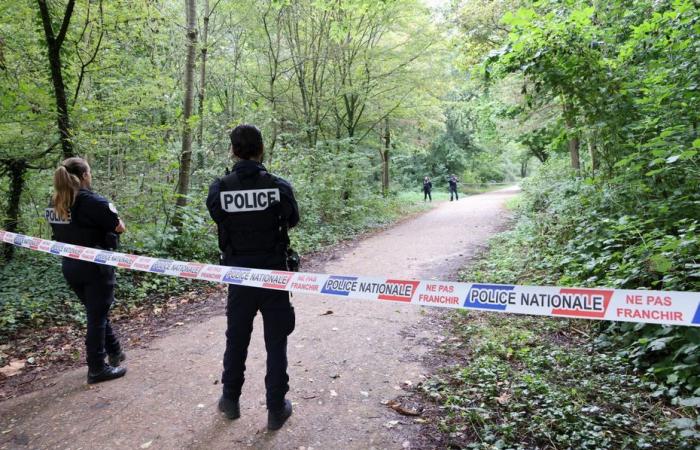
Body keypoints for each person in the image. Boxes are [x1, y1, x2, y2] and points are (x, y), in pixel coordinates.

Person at [206, 124, 299, 431]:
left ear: (233, 150)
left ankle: (230, 400)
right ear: (262, 149)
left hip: (240, 276)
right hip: (273, 275)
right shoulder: (279, 186)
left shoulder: (220, 189)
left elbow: (218, 216)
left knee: (237, 339)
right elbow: (293, 219)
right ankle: (275, 408)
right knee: (276, 342)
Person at [48, 157, 127, 384]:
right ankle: (96, 368)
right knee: (96, 316)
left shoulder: (55, 203)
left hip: (70, 266)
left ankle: (114, 351)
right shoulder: (93, 201)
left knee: (97, 312)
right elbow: (119, 227)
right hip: (95, 266)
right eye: (89, 172)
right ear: (84, 176)